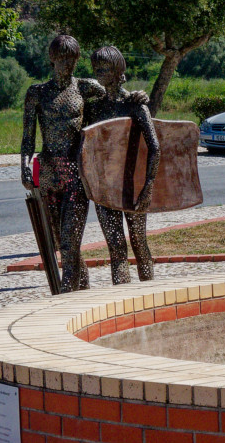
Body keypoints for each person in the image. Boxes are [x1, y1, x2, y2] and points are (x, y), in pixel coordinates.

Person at [20, 34, 105, 291]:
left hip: (76, 173)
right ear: (52, 59)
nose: (66, 66)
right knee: (62, 242)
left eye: (71, 60)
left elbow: (114, 99)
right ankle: (84, 289)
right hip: (48, 173)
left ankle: (64, 299)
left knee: (70, 241)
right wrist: (24, 164)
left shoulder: (85, 87)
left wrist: (136, 97)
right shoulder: (37, 93)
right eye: (62, 60)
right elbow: (27, 137)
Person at [85, 46, 160, 285]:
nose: (99, 74)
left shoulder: (134, 105)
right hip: (105, 187)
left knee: (138, 240)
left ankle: (148, 293)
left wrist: (148, 186)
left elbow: (155, 147)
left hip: (133, 187)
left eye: (104, 68)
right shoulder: (94, 108)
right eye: (96, 69)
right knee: (115, 247)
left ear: (118, 71)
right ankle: (123, 299)